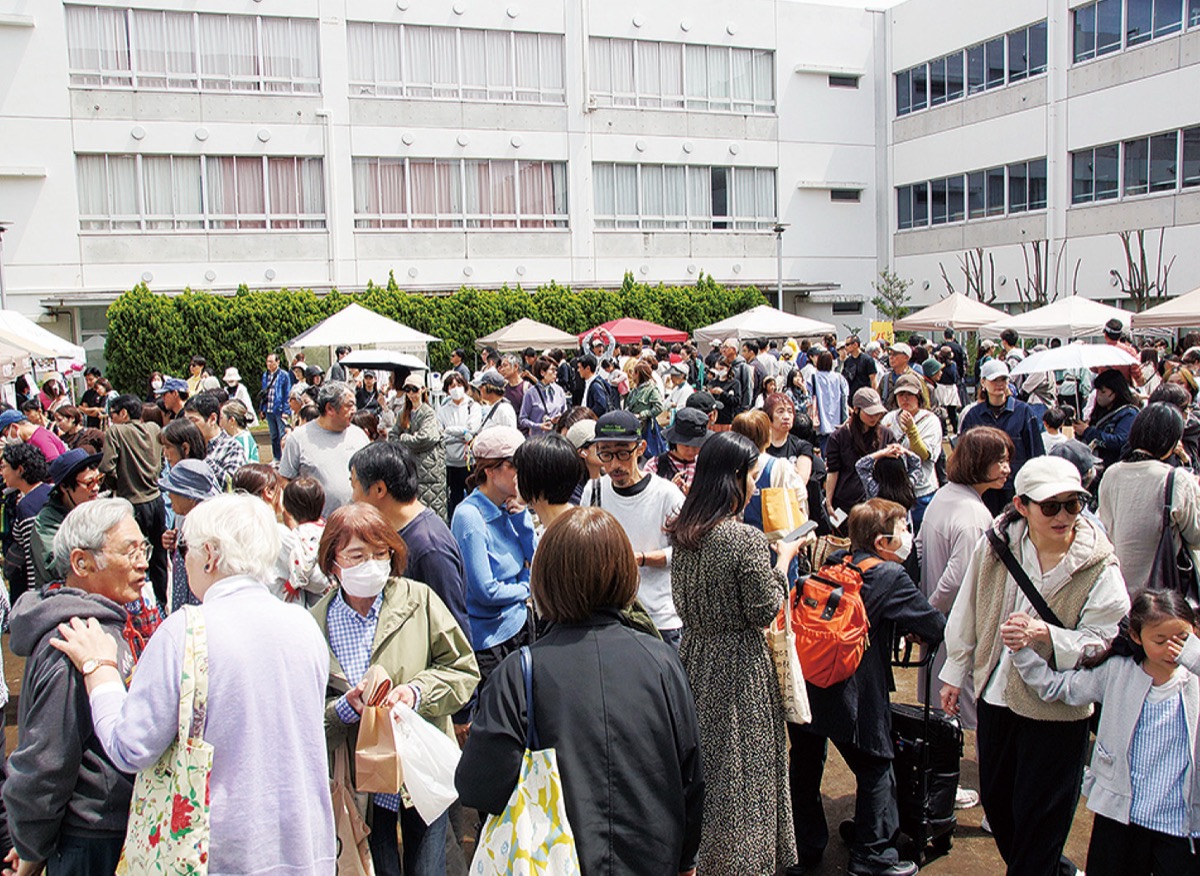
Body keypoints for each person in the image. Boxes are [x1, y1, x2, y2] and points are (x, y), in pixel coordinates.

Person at [48, 493, 337, 875]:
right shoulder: (303, 625)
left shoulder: (186, 630)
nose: (183, 559)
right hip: (305, 843)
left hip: (216, 849)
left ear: (210, 555)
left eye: (187, 548)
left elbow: (130, 746)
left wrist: (99, 670)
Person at [457, 506, 704, 874]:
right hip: (652, 856)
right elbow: (690, 777)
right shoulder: (661, 661)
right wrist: (686, 860)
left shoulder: (519, 673)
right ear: (624, 572)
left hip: (553, 859)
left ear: (545, 578)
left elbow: (478, 786)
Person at [940, 456, 1130, 876]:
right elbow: (968, 607)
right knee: (1002, 807)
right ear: (1022, 506)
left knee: (1043, 818)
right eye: (1050, 506)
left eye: (1073, 504)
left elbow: (1106, 639)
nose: (1063, 516)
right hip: (997, 692)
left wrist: (1048, 636)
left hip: (1058, 707)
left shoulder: (1099, 566)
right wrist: (956, 670)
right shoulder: (995, 546)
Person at [314, 502, 478, 876]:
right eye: (357, 555)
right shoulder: (316, 623)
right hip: (361, 782)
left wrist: (416, 693)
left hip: (418, 768)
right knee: (378, 863)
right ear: (333, 562)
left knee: (430, 865)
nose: (370, 564)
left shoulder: (417, 600)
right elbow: (304, 712)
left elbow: (462, 669)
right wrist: (343, 709)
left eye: (380, 553)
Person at [667, 431, 802, 874]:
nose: (753, 484)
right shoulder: (741, 539)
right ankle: (744, 861)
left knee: (703, 772)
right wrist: (782, 560)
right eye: (751, 475)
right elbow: (765, 607)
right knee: (744, 772)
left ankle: (701, 859)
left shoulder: (684, 534)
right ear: (735, 478)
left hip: (693, 658)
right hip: (739, 666)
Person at [5, 499, 163, 875]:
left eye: (144, 548)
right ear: (81, 563)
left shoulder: (107, 624)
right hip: (89, 839)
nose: (142, 561)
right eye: (130, 551)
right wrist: (32, 850)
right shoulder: (74, 640)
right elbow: (46, 763)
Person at [791, 498, 945, 876]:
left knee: (806, 767)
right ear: (882, 542)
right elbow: (935, 626)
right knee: (877, 767)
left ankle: (806, 850)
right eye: (903, 530)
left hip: (810, 683)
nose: (908, 537)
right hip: (852, 693)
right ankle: (871, 855)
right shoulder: (890, 578)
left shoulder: (833, 564)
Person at [1011, 590, 1200, 876]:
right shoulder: (1117, 671)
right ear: (1136, 636)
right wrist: (1022, 654)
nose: (1172, 650)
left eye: (1182, 640)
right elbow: (1060, 687)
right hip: (1120, 817)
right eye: (1160, 641)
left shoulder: (1195, 680)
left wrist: (1194, 657)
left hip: (1179, 824)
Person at [915, 426, 1012, 734]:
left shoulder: (945, 495)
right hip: (957, 628)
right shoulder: (973, 515)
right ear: (977, 462)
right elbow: (956, 579)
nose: (1007, 469)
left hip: (941, 626)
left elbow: (917, 552)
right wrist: (928, 615)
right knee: (963, 716)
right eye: (1000, 461)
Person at [580, 411, 685, 646]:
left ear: (640, 448)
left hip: (659, 619)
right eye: (606, 454)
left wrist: (641, 559)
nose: (615, 464)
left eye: (622, 453)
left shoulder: (666, 494)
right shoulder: (594, 491)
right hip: (610, 614)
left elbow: (686, 552)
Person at [450, 426, 536, 684]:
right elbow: (485, 591)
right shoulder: (470, 517)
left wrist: (523, 521)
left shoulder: (509, 507)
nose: (522, 475)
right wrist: (527, 587)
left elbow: (535, 559)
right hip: (491, 642)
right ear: (490, 470)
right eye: (515, 466)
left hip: (519, 624)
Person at [1099, 404, 1200, 596]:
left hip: (1120, 587)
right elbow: (1195, 535)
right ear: (1172, 440)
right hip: (1163, 590)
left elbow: (1108, 526)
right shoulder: (1175, 479)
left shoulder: (1111, 474)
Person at [100, 394, 169, 607]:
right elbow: (162, 459)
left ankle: (141, 606)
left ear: (123, 413)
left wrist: (119, 481)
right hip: (156, 500)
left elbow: (106, 466)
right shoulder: (154, 429)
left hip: (131, 502)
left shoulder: (116, 432)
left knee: (136, 558)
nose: (111, 420)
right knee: (158, 556)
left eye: (113, 415)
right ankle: (161, 601)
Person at [958, 359, 1045, 515]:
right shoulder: (973, 416)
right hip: (984, 489)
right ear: (983, 382)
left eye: (1003, 379)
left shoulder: (1024, 412)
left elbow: (1036, 453)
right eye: (994, 379)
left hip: (1016, 488)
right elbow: (965, 456)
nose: (999, 384)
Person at [278, 382, 370, 518]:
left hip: (356, 523)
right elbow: (285, 480)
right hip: (316, 527)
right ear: (330, 409)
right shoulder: (298, 438)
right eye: (349, 405)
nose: (354, 410)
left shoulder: (359, 435)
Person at [30, 450, 103, 591]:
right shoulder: (46, 523)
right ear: (64, 487)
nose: (96, 488)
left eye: (99, 480)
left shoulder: (97, 511)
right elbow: (55, 568)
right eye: (89, 483)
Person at [880, 373, 943, 532]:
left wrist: (912, 431)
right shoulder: (889, 418)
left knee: (921, 538)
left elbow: (925, 455)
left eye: (910, 394)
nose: (905, 399)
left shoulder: (930, 421)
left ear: (919, 396)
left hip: (921, 492)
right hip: (893, 491)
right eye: (901, 394)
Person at [825, 388, 896, 519]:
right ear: (856, 410)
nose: (874, 417)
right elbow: (833, 471)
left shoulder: (886, 434)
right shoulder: (839, 437)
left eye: (877, 413)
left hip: (878, 502)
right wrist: (829, 502)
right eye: (870, 413)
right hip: (847, 501)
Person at [2, 444, 50, 606]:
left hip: (42, 592)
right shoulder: (48, 492)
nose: (2, 473)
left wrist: (33, 598)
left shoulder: (27, 506)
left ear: (20, 470)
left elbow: (34, 558)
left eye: (4, 467)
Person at [1075, 367, 1141, 481]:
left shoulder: (1128, 414)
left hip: (1115, 469)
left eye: (1103, 391)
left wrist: (1088, 431)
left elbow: (1119, 441)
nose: (1099, 395)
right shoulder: (1101, 410)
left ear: (1115, 392)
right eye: (1098, 391)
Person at [280, 477, 330, 606]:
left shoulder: (300, 534)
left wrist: (293, 583)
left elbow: (302, 561)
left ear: (289, 509)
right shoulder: (327, 527)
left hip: (315, 584)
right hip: (330, 580)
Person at [437, 371, 481, 517]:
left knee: (473, 497)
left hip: (469, 461)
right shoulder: (443, 409)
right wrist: (462, 434)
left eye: (459, 385)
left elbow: (472, 430)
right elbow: (441, 433)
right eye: (451, 386)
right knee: (453, 499)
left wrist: (453, 432)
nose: (455, 389)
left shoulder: (472, 406)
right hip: (450, 462)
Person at [183, 391, 247, 488]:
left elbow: (231, 485)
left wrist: (201, 457)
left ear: (212, 419)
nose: (188, 426)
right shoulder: (186, 446)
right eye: (186, 421)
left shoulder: (232, 447)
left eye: (193, 421)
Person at [644, 407, 709, 495]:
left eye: (696, 446)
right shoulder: (654, 465)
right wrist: (669, 491)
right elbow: (645, 496)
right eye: (686, 445)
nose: (691, 451)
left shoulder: (704, 466)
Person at [809, 351, 849, 453]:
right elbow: (845, 396)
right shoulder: (839, 377)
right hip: (837, 417)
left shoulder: (813, 377)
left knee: (824, 446)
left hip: (820, 418)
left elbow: (808, 396)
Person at [518, 355, 568, 436]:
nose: (556, 373)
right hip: (538, 440)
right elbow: (522, 419)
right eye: (552, 370)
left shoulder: (559, 390)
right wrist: (538, 426)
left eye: (556, 370)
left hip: (556, 438)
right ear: (542, 372)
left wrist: (559, 418)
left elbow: (565, 413)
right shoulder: (530, 393)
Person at [0, 410, 65, 463]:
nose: (6, 438)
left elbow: (55, 465)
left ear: (15, 427)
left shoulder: (40, 438)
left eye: (5, 434)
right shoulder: (31, 439)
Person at [261, 352, 293, 460]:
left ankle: (284, 457)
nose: (269, 364)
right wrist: (262, 408)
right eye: (267, 361)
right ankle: (276, 456)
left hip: (279, 410)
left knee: (282, 435)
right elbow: (264, 393)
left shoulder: (284, 375)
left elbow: (287, 393)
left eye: (271, 361)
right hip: (269, 409)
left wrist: (286, 410)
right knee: (273, 435)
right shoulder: (265, 375)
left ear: (277, 362)